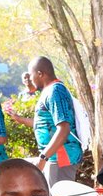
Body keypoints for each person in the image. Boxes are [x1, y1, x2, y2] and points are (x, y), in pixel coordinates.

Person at [18, 56, 81, 185]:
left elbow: (64, 128)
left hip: (61, 156)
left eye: (31, 75)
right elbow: (44, 124)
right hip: (54, 156)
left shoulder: (55, 91)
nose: (30, 79)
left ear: (40, 74)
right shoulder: (49, 91)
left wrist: (43, 157)